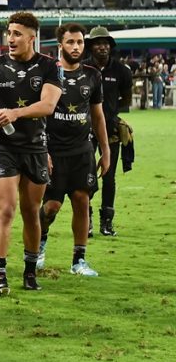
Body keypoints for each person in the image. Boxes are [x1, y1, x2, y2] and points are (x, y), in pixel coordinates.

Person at [0, 12, 63, 296]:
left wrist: (14, 113)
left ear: (32, 37)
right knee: (6, 209)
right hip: (4, 148)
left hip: (35, 147)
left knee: (31, 212)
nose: (10, 39)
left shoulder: (49, 66)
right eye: (9, 33)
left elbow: (47, 106)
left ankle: (30, 271)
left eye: (17, 34)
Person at [37, 23, 110, 276]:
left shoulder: (93, 75)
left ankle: (79, 261)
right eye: (70, 42)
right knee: (51, 207)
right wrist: (42, 151)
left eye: (79, 42)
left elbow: (98, 116)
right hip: (53, 152)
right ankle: (39, 245)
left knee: (82, 202)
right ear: (60, 46)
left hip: (83, 152)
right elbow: (38, 116)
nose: (76, 47)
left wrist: (106, 150)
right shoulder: (47, 73)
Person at [84, 26, 132, 237]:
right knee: (85, 177)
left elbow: (127, 99)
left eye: (105, 43)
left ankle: (107, 221)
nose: (102, 47)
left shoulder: (121, 71)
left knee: (109, 177)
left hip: (111, 131)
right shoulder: (82, 68)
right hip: (83, 131)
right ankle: (87, 219)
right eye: (97, 43)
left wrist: (110, 113)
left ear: (110, 47)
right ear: (91, 46)